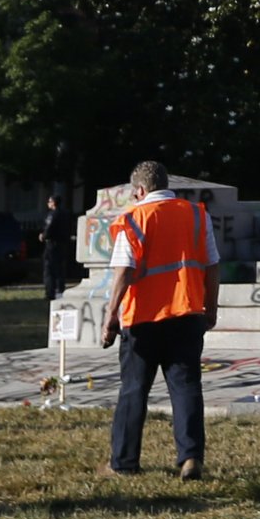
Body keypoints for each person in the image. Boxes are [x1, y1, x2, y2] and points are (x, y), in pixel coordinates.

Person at [97, 160, 216, 479]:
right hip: (187, 313)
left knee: (134, 390)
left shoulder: (134, 219)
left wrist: (110, 316)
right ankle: (190, 457)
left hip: (143, 319)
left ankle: (123, 463)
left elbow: (124, 271)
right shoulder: (196, 215)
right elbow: (212, 264)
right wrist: (211, 308)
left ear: (139, 190)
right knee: (186, 387)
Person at [40, 190, 79, 301]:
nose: (48, 203)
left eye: (49, 201)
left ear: (53, 203)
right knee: (60, 269)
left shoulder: (53, 214)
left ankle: (50, 292)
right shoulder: (66, 214)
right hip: (63, 244)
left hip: (52, 245)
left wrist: (43, 236)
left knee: (49, 270)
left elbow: (49, 228)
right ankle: (60, 290)